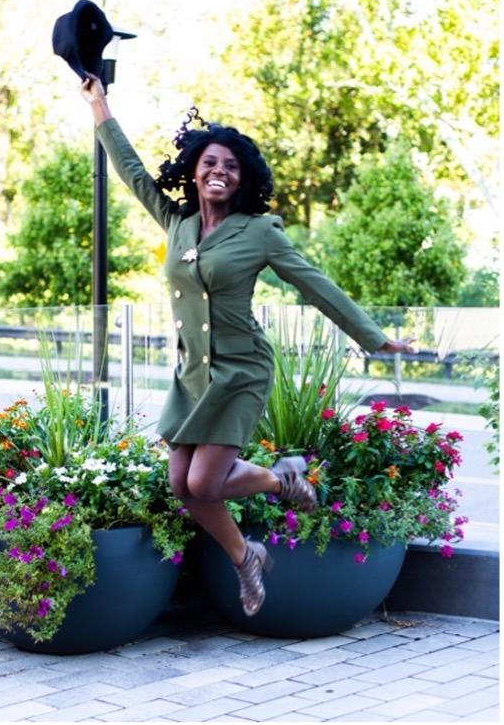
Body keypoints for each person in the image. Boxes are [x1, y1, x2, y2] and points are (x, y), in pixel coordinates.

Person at [80, 74, 415, 616]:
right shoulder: (179, 223)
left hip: (241, 370)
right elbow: (133, 173)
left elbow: (313, 281)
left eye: (230, 167)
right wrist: (99, 104)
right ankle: (246, 557)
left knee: (206, 483)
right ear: (195, 170)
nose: (219, 171)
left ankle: (280, 478)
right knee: (183, 487)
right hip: (192, 375)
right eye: (210, 163)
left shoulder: (258, 232)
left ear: (242, 180)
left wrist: (373, 337)